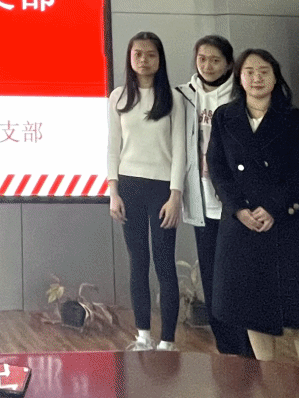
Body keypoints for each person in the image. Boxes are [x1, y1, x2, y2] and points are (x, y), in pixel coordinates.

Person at [206, 47, 299, 369]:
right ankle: (266, 376)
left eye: (264, 72)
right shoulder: (224, 116)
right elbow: (218, 168)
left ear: (275, 77)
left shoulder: (295, 118)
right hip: (242, 224)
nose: (257, 78)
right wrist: (238, 209)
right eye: (249, 72)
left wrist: (273, 208)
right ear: (239, 78)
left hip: (286, 224)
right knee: (252, 308)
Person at [174, 35, 253, 359]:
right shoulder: (183, 95)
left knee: (240, 276)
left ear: (229, 64)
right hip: (202, 201)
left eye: (215, 60)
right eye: (202, 59)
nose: (207, 65)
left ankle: (248, 349)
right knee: (211, 277)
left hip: (236, 203)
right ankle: (227, 349)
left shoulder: (241, 95)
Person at [107, 31, 185, 351]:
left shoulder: (174, 98)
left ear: (160, 59)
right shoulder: (118, 97)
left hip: (163, 189)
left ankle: (167, 341)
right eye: (137, 54)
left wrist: (176, 195)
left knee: (165, 263)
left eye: (151, 54)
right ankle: (142, 336)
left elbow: (179, 150)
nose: (143, 60)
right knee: (137, 262)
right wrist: (113, 192)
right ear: (129, 58)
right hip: (128, 187)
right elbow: (113, 147)